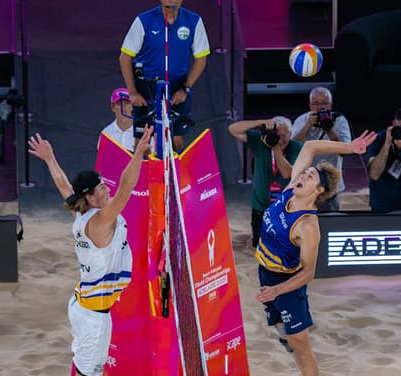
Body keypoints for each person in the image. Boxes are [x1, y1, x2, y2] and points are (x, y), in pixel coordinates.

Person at [27, 126, 153, 376]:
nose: (106, 187)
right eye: (100, 187)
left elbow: (66, 188)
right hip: (93, 316)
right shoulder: (100, 221)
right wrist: (139, 153)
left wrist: (51, 159)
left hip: (86, 307)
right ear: (92, 198)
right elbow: (127, 188)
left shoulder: (80, 213)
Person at [255, 131, 377, 376]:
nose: (304, 173)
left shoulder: (308, 225)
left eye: (309, 176)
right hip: (267, 275)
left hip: (287, 286)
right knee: (290, 341)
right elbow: (310, 146)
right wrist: (349, 149)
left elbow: (309, 272)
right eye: (305, 172)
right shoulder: (289, 192)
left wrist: (278, 291)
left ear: (318, 192)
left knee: (303, 352)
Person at [119, 0, 210, 152]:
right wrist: (133, 92)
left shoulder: (194, 21)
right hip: (147, 89)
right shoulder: (143, 20)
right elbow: (125, 57)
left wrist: (185, 88)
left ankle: (174, 176)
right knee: (143, 143)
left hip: (177, 88)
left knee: (177, 142)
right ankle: (143, 175)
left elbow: (201, 59)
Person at [228, 117, 302, 248]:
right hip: (260, 206)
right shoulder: (261, 141)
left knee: (284, 245)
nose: (279, 139)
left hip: (284, 208)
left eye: (284, 135)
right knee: (258, 245)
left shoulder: (296, 147)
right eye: (276, 135)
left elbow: (286, 173)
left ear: (291, 134)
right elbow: (233, 129)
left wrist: (275, 148)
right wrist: (259, 122)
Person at [291, 87, 352, 212]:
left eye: (324, 103)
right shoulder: (302, 120)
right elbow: (292, 147)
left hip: (329, 187)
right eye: (316, 103)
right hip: (305, 186)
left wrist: (330, 130)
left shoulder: (339, 121)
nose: (320, 107)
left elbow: (346, 150)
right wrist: (308, 125)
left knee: (329, 225)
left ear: (331, 105)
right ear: (309, 105)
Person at [99, 88, 136, 152]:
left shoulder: (142, 132)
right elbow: (103, 160)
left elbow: (151, 158)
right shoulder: (106, 134)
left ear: (132, 106)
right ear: (113, 107)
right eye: (119, 104)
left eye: (127, 103)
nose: (123, 107)